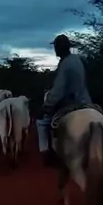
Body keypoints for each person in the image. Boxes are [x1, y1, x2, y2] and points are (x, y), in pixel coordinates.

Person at [36, 34, 92, 166]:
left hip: (70, 103)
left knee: (42, 122)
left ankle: (47, 153)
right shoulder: (77, 59)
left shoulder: (65, 64)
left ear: (60, 48)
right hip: (85, 100)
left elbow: (59, 89)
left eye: (56, 47)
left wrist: (47, 104)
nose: (55, 50)